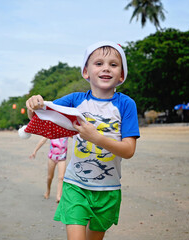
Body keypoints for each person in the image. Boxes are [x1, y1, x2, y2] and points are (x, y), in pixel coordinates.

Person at [26, 41, 140, 240]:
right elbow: (41, 115)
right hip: (75, 185)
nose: (106, 68)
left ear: (122, 75)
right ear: (86, 72)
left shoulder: (126, 104)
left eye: (113, 64)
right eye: (98, 63)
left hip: (108, 190)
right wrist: (32, 105)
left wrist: (95, 137)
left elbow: (129, 150)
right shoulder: (76, 100)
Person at [29, 137, 68, 203]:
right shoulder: (51, 130)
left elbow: (76, 136)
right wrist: (35, 151)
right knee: (50, 177)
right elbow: (42, 140)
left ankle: (58, 196)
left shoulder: (66, 131)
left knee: (61, 177)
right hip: (52, 158)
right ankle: (48, 190)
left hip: (62, 158)